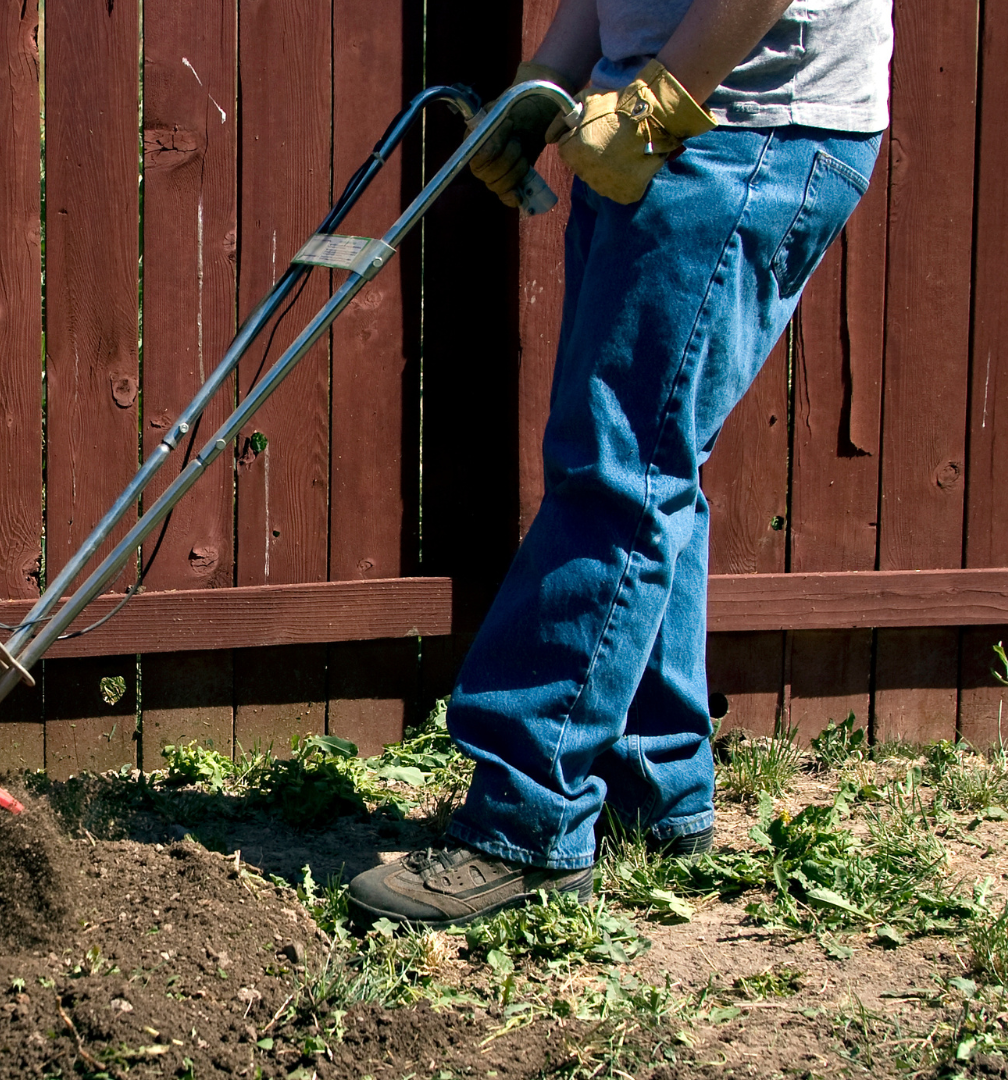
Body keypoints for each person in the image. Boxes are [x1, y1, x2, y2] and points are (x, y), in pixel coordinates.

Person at [347, 0, 892, 928]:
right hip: (656, 116)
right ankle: (655, 786)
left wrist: (661, 99)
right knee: (645, 464)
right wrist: (546, 83)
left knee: (619, 474)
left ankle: (524, 824)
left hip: (736, 124)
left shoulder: (688, 114)